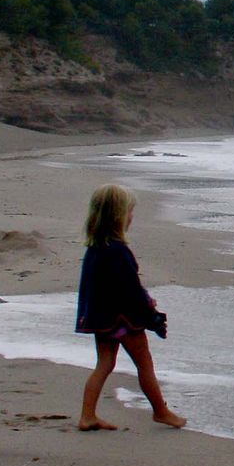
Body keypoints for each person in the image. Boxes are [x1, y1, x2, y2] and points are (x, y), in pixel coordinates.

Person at [75, 183, 186, 431]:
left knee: (104, 363)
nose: (131, 217)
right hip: (123, 320)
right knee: (144, 363)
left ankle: (87, 415)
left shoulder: (95, 250)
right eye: (129, 212)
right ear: (118, 217)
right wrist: (151, 315)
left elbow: (100, 289)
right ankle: (161, 411)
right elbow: (130, 290)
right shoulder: (119, 252)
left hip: (101, 318)